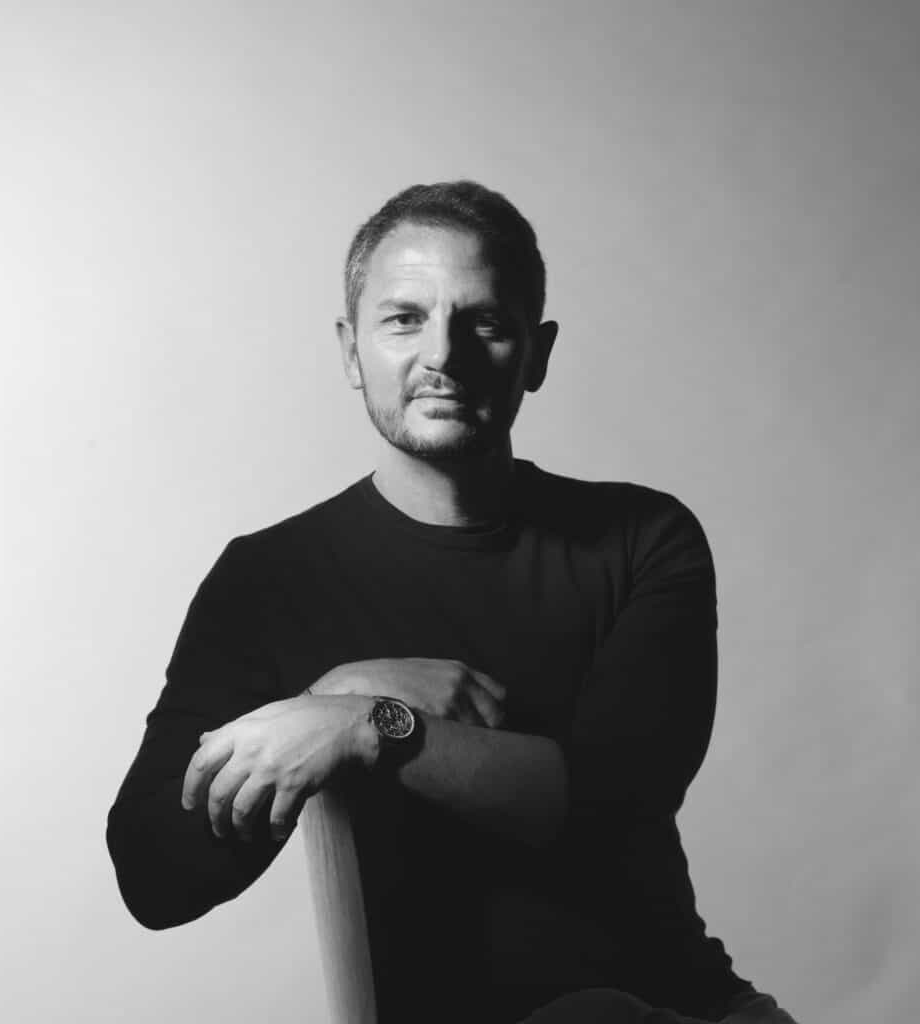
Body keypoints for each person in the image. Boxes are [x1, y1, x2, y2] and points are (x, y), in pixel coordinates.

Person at [107, 181, 797, 1023]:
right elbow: (155, 876)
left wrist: (370, 727)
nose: (443, 354)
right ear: (351, 351)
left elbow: (614, 804)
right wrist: (326, 697)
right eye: (404, 319)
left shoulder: (641, 538)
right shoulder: (266, 579)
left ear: (536, 354)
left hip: (677, 1009)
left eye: (485, 323)